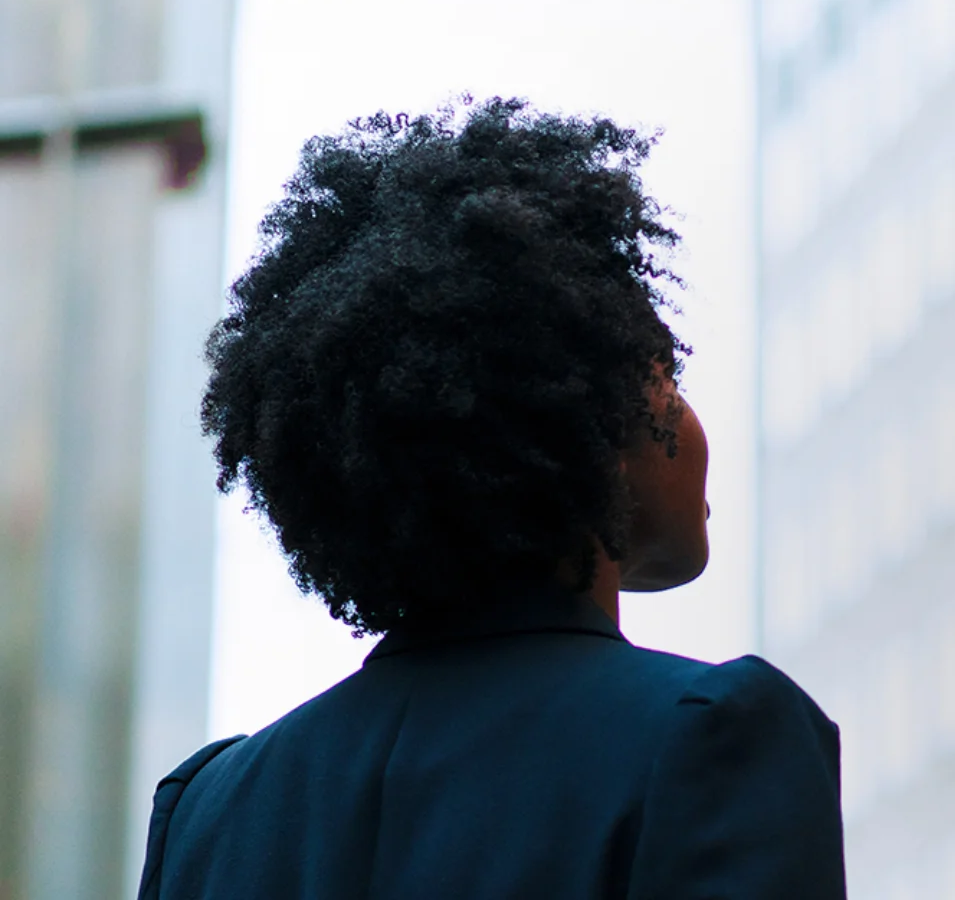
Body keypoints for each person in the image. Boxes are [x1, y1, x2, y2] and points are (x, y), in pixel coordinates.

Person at [137, 98, 847, 899]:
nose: (691, 414)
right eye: (664, 374)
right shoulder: (710, 734)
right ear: (592, 414)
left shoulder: (212, 812)